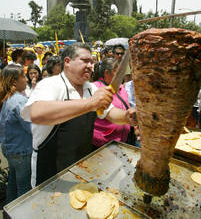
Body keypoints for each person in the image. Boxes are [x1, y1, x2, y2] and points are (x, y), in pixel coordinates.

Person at [21, 43, 136, 187]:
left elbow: (111, 113)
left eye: (92, 62)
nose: (90, 66)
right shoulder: (51, 84)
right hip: (50, 171)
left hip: (82, 167)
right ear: (67, 62)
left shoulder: (90, 88)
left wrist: (127, 116)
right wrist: (90, 104)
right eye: (85, 60)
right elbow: (36, 113)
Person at [0, 65, 32, 203]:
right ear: (14, 81)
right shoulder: (19, 100)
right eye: (23, 77)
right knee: (24, 189)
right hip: (21, 152)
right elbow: (32, 127)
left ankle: (9, 210)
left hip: (11, 150)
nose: (26, 80)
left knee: (13, 182)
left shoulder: (9, 98)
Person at [91, 58, 131, 148]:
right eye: (117, 72)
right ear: (106, 73)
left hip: (122, 141)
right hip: (102, 144)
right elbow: (108, 112)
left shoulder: (121, 88)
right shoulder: (96, 88)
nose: (121, 75)